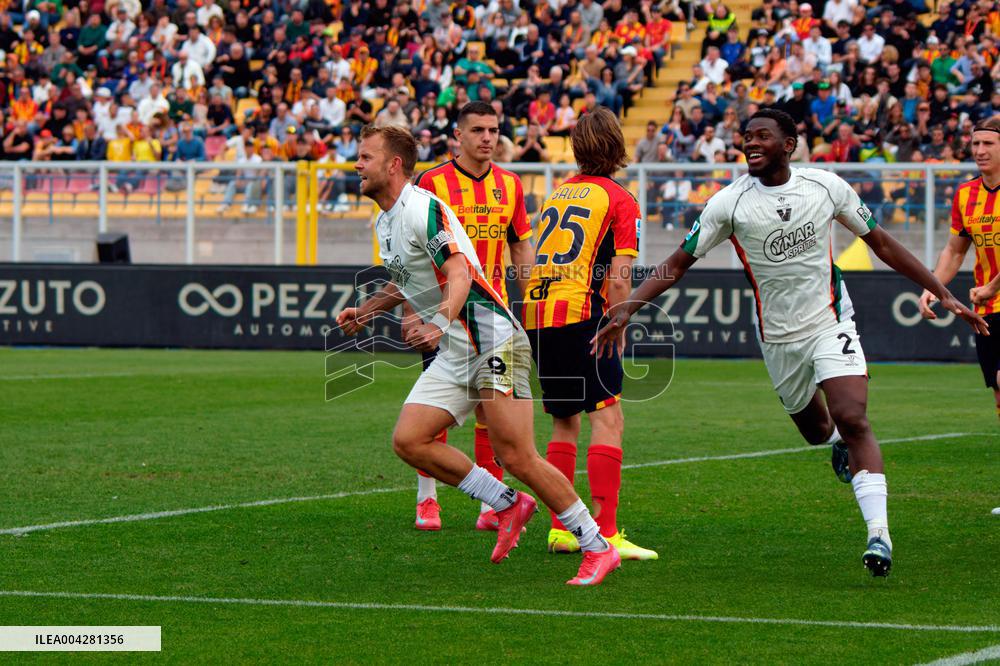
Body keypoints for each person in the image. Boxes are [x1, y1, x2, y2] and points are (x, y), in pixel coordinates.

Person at [592, 109, 988, 578]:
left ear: (790, 143)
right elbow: (678, 262)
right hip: (778, 338)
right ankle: (836, 443)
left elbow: (881, 243)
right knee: (818, 431)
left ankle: (878, 533)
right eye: (746, 137)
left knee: (853, 415)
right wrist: (629, 306)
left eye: (763, 136)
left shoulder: (825, 186)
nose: (751, 143)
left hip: (830, 320)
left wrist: (942, 290)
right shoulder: (729, 203)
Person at [337, 125, 620, 585]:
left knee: (519, 456)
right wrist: (367, 311)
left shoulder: (421, 209)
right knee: (409, 441)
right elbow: (405, 279)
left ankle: (596, 544)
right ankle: (508, 504)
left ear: (392, 165)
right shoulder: (386, 219)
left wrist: (437, 322)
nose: (357, 165)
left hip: (493, 341)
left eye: (365, 157)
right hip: (456, 348)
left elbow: (459, 272)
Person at [522, 106, 658, 562]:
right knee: (608, 417)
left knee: (565, 419)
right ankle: (606, 530)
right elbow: (619, 276)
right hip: (584, 314)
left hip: (539, 313)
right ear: (618, 147)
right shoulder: (620, 199)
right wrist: (617, 321)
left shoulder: (558, 195)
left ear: (578, 148)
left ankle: (563, 527)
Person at [406, 101, 535, 532]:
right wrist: (411, 313)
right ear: (457, 136)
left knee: (488, 411)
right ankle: (427, 501)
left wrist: (528, 299)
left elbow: (519, 245)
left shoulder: (512, 184)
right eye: (477, 130)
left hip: (492, 316)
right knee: (432, 410)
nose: (487, 138)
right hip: (442, 314)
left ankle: (491, 505)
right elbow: (412, 251)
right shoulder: (431, 182)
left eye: (493, 130)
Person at [919, 116, 1000, 422]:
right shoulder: (966, 194)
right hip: (986, 306)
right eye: (976, 143)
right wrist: (932, 287)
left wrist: (993, 285)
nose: (979, 150)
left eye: (988, 143)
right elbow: (955, 251)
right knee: (997, 386)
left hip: (990, 293)